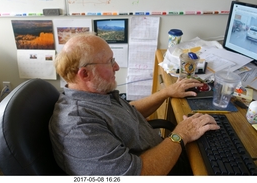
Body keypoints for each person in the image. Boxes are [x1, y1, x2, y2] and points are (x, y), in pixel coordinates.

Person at [49, 32, 220, 175]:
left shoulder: (94, 95)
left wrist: (165, 93)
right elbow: (137, 174)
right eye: (109, 62)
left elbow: (125, 114)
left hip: (165, 153)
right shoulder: (79, 127)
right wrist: (181, 134)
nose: (116, 67)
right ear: (85, 74)